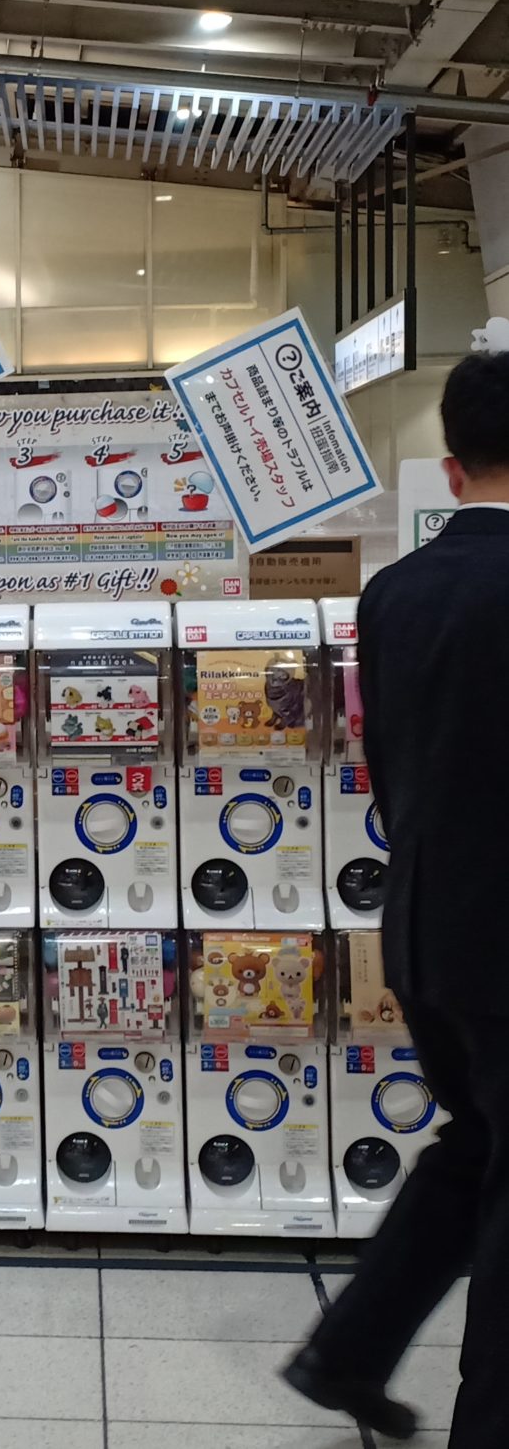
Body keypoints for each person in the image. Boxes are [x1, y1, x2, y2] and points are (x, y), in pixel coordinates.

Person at [282, 350, 509, 1447]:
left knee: (478, 1145)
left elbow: (389, 763)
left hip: (422, 927)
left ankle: (347, 1351)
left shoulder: (393, 593)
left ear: (452, 466)